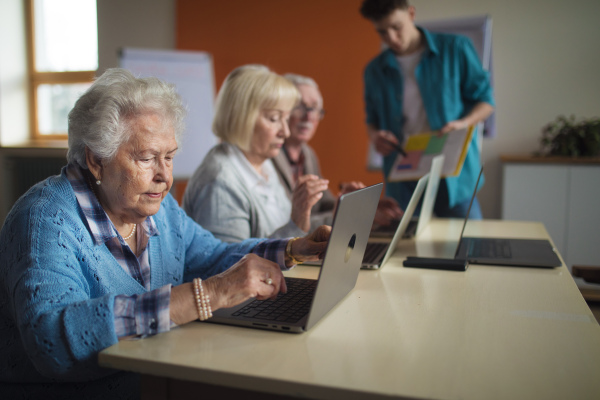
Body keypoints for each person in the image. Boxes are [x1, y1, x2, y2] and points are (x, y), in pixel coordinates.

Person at [0, 68, 329, 399]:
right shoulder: (44, 219)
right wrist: (207, 295)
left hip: (159, 378)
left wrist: (292, 249)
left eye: (169, 157)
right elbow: (50, 340)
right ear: (97, 160)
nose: (164, 176)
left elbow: (211, 256)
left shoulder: (159, 206)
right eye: (146, 158)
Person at [360, 0, 495, 218]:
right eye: (382, 32)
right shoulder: (374, 70)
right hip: (404, 172)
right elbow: (371, 121)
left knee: (466, 246)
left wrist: (462, 124)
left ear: (411, 13)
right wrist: (377, 136)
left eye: (396, 27)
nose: (391, 38)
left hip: (453, 172)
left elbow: (486, 102)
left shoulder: (456, 48)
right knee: (405, 247)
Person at [182, 65, 329, 243]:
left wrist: (334, 217)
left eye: (286, 119)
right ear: (243, 118)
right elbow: (229, 265)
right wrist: (297, 222)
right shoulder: (221, 182)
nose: (285, 131)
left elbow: (287, 230)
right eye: (274, 118)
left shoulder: (263, 164)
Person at [272, 73, 403, 231]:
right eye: (299, 107)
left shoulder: (308, 154)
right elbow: (287, 222)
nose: (308, 116)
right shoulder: (267, 155)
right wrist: (351, 213)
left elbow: (325, 203)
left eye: (314, 108)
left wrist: (364, 204)